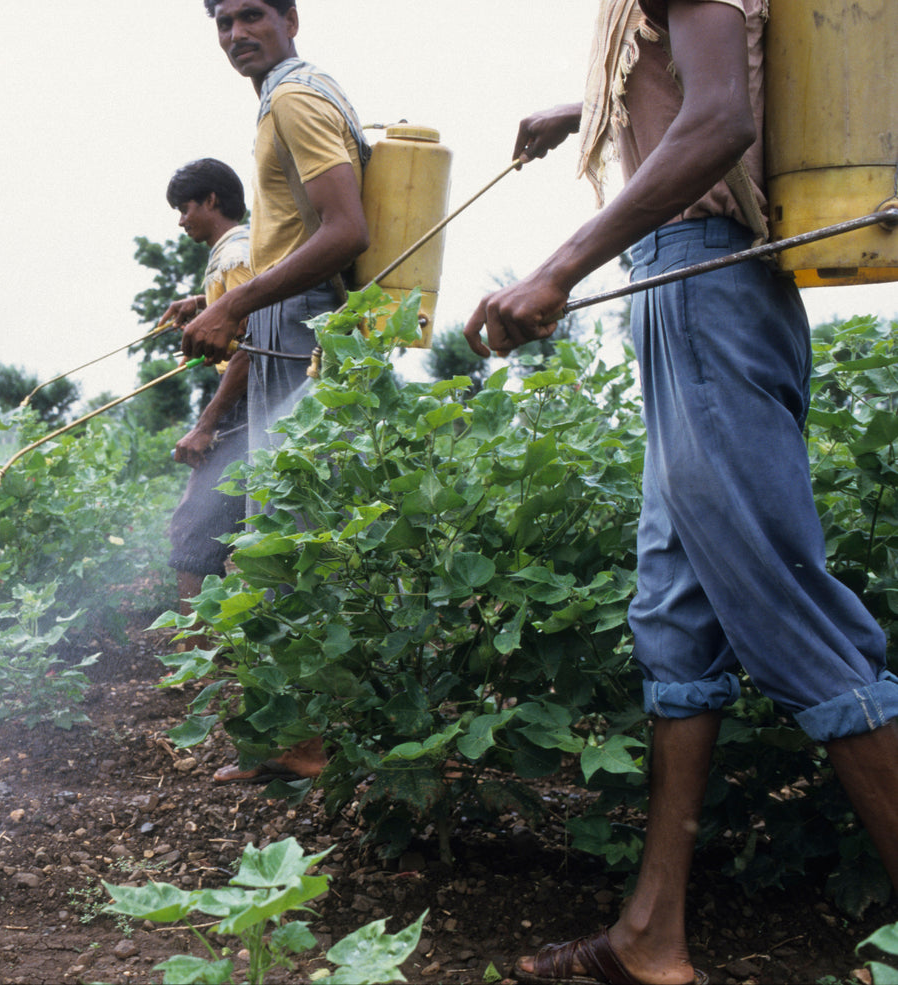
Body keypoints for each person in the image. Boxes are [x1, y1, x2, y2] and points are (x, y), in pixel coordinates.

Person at [463, 2, 898, 982]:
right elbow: (719, 74)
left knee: (795, 615)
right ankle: (651, 936)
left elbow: (721, 122)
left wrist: (560, 266)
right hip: (694, 286)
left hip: (704, 282)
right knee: (678, 617)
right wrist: (588, 108)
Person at [181, 0, 370, 784]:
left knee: (288, 533)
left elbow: (345, 229)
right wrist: (215, 301)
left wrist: (236, 303)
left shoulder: (294, 96)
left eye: (251, 14)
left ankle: (310, 747)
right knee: (275, 533)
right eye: (222, 22)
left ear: (291, 14)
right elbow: (294, 234)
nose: (235, 36)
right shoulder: (283, 97)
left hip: (299, 332)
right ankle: (293, 737)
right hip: (284, 321)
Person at [158, 160, 253, 649]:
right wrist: (201, 301)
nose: (181, 221)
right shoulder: (236, 252)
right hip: (252, 406)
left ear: (212, 201)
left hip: (247, 407)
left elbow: (253, 349)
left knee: (194, 529)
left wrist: (206, 424)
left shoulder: (235, 255)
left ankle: (196, 659)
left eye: (185, 207)